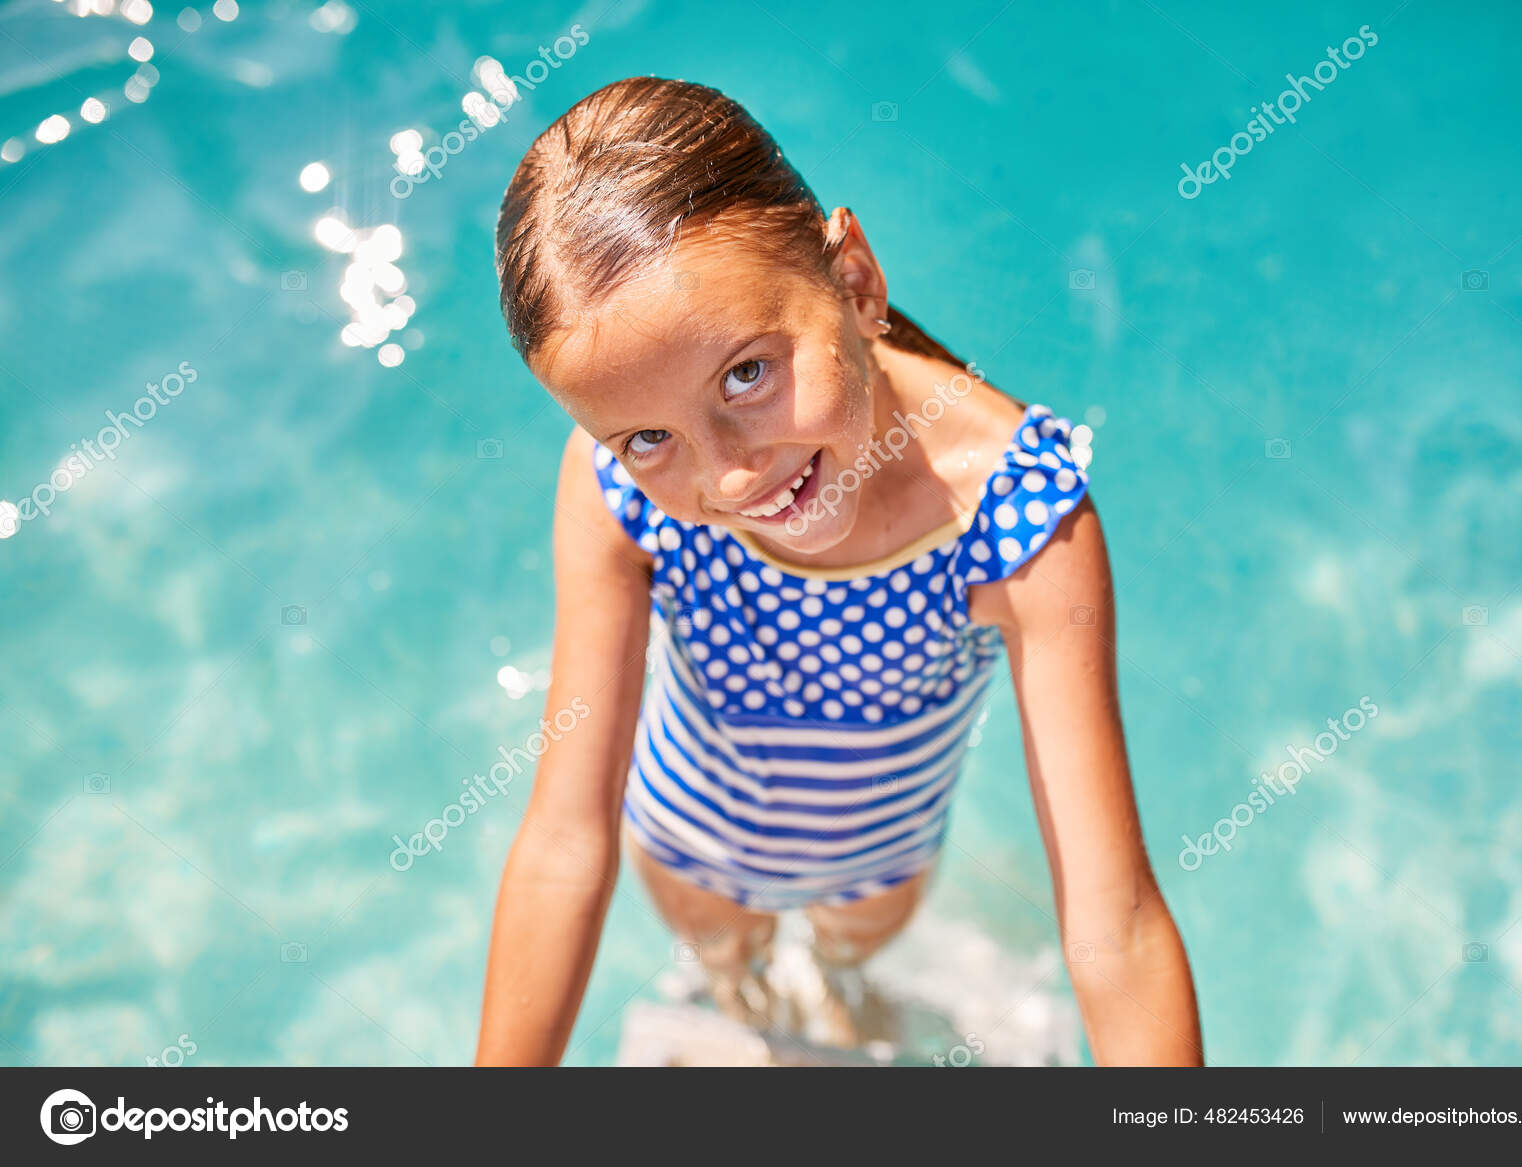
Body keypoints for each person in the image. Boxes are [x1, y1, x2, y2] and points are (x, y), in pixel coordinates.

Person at [475, 76, 1201, 1066]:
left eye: (747, 373)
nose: (731, 475)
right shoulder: (614, 489)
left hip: (876, 869)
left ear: (855, 282)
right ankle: (739, 994)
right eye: (648, 436)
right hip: (690, 846)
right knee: (730, 974)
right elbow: (565, 843)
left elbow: (1114, 923)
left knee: (848, 976)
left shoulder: (1016, 520)